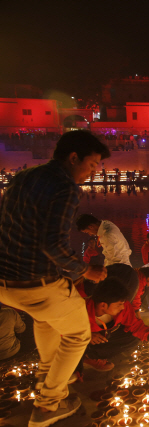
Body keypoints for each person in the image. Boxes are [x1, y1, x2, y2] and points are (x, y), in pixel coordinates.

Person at [0, 130, 109, 426]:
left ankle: (45, 378)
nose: (93, 172)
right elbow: (53, 245)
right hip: (35, 281)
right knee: (78, 335)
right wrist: (87, 270)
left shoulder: (24, 177)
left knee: (45, 320)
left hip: (5, 283)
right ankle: (48, 404)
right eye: (91, 164)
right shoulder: (65, 187)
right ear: (73, 158)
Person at [83, 279, 149, 372]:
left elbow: (136, 326)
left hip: (106, 335)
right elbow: (68, 333)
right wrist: (87, 336)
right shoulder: (81, 310)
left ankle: (95, 355)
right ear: (103, 305)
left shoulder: (124, 307)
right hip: (82, 342)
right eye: (119, 304)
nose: (122, 307)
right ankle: (86, 357)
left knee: (133, 338)